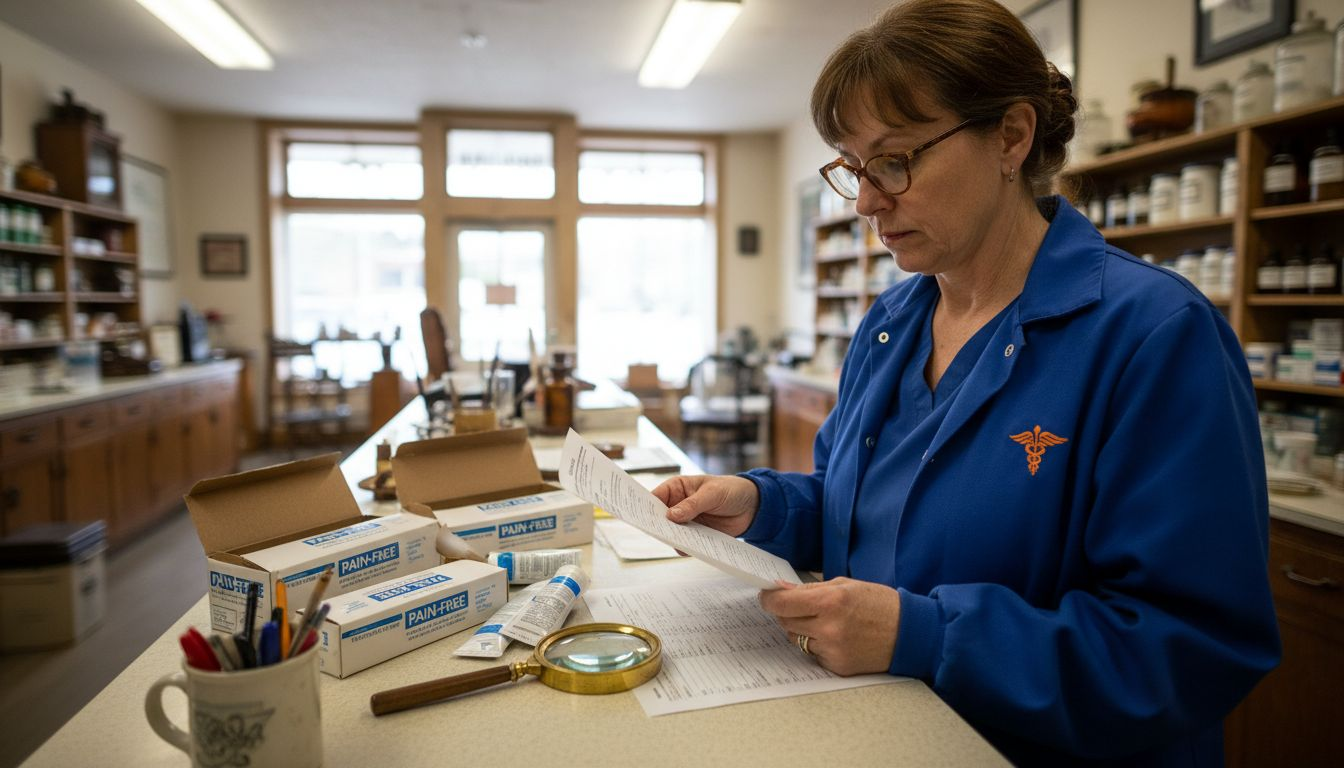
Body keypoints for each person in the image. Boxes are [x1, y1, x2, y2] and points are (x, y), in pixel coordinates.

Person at [652, 0, 1280, 764]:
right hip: (884, 733)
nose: (870, 202)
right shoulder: (892, 324)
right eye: (855, 169)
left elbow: (1193, 648)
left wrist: (928, 635)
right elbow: (867, 517)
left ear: (1011, 136)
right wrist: (764, 505)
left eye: (895, 160)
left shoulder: (1152, 335)